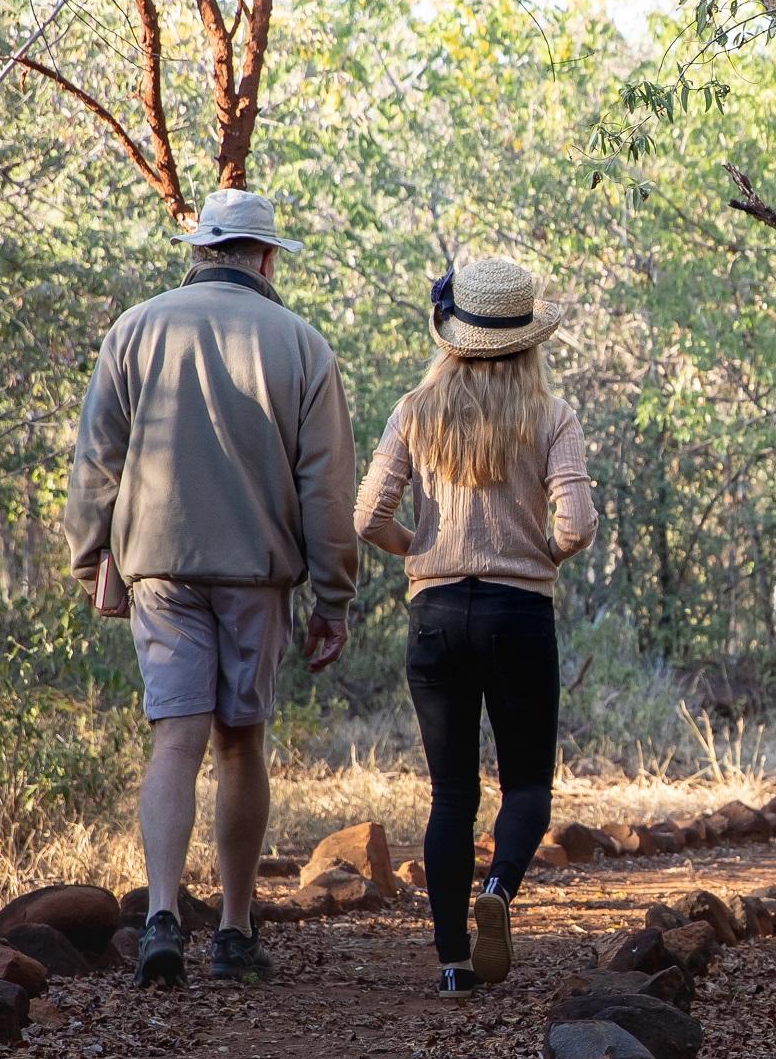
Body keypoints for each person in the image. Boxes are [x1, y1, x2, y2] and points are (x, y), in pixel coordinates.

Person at [63, 188, 359, 990]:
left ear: (198, 250)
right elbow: (327, 488)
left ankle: (162, 913)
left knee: (175, 738)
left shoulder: (135, 328)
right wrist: (333, 596)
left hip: (157, 566)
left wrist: (92, 555)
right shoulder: (303, 345)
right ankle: (232, 929)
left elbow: (98, 455)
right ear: (266, 259)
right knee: (240, 743)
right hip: (255, 573)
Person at [355, 256, 597, 996]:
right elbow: (577, 524)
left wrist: (417, 550)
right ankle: (498, 888)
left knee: (450, 794)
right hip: (517, 614)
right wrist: (541, 554)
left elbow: (368, 517)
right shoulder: (552, 416)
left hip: (435, 617)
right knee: (526, 785)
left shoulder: (414, 411)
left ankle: (453, 960)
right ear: (528, 340)